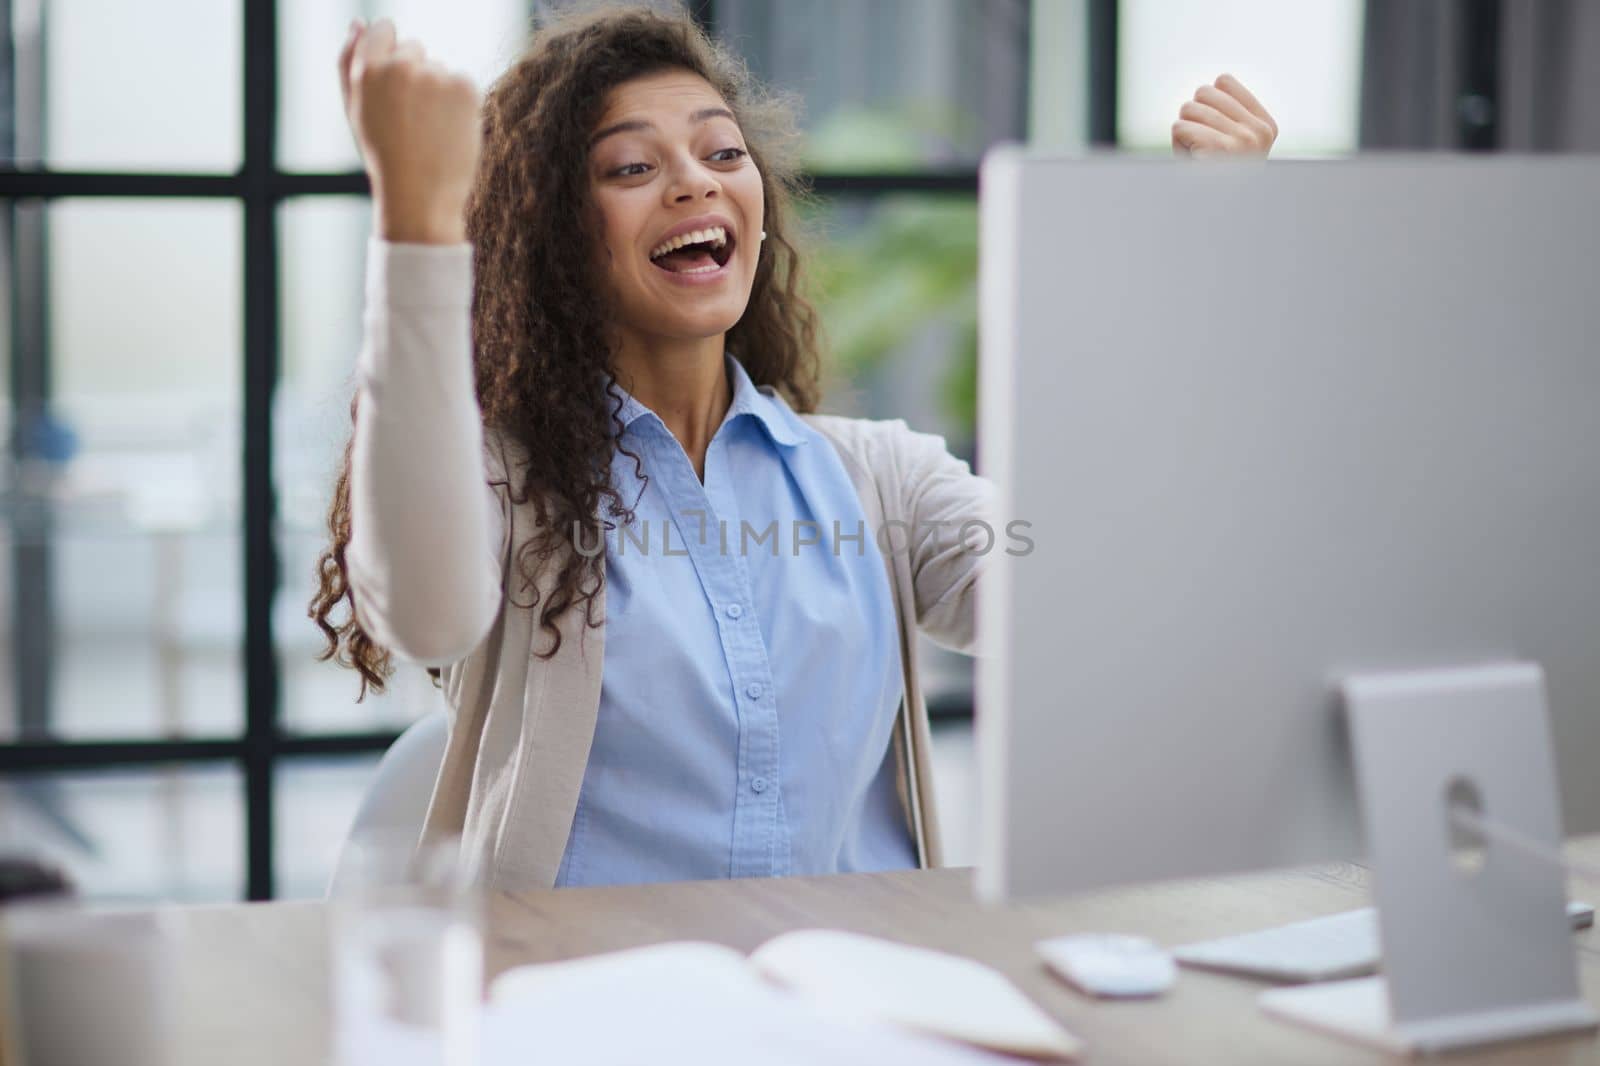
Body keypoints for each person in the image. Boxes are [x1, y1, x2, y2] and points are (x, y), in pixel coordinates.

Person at [311, 4, 1278, 890]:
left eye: (721, 154)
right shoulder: (507, 482)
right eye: (632, 168)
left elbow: (1106, 596)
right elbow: (428, 616)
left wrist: (1209, 247)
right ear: (553, 237)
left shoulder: (877, 480)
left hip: (865, 994)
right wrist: (417, 226)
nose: (694, 180)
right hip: (590, 1008)